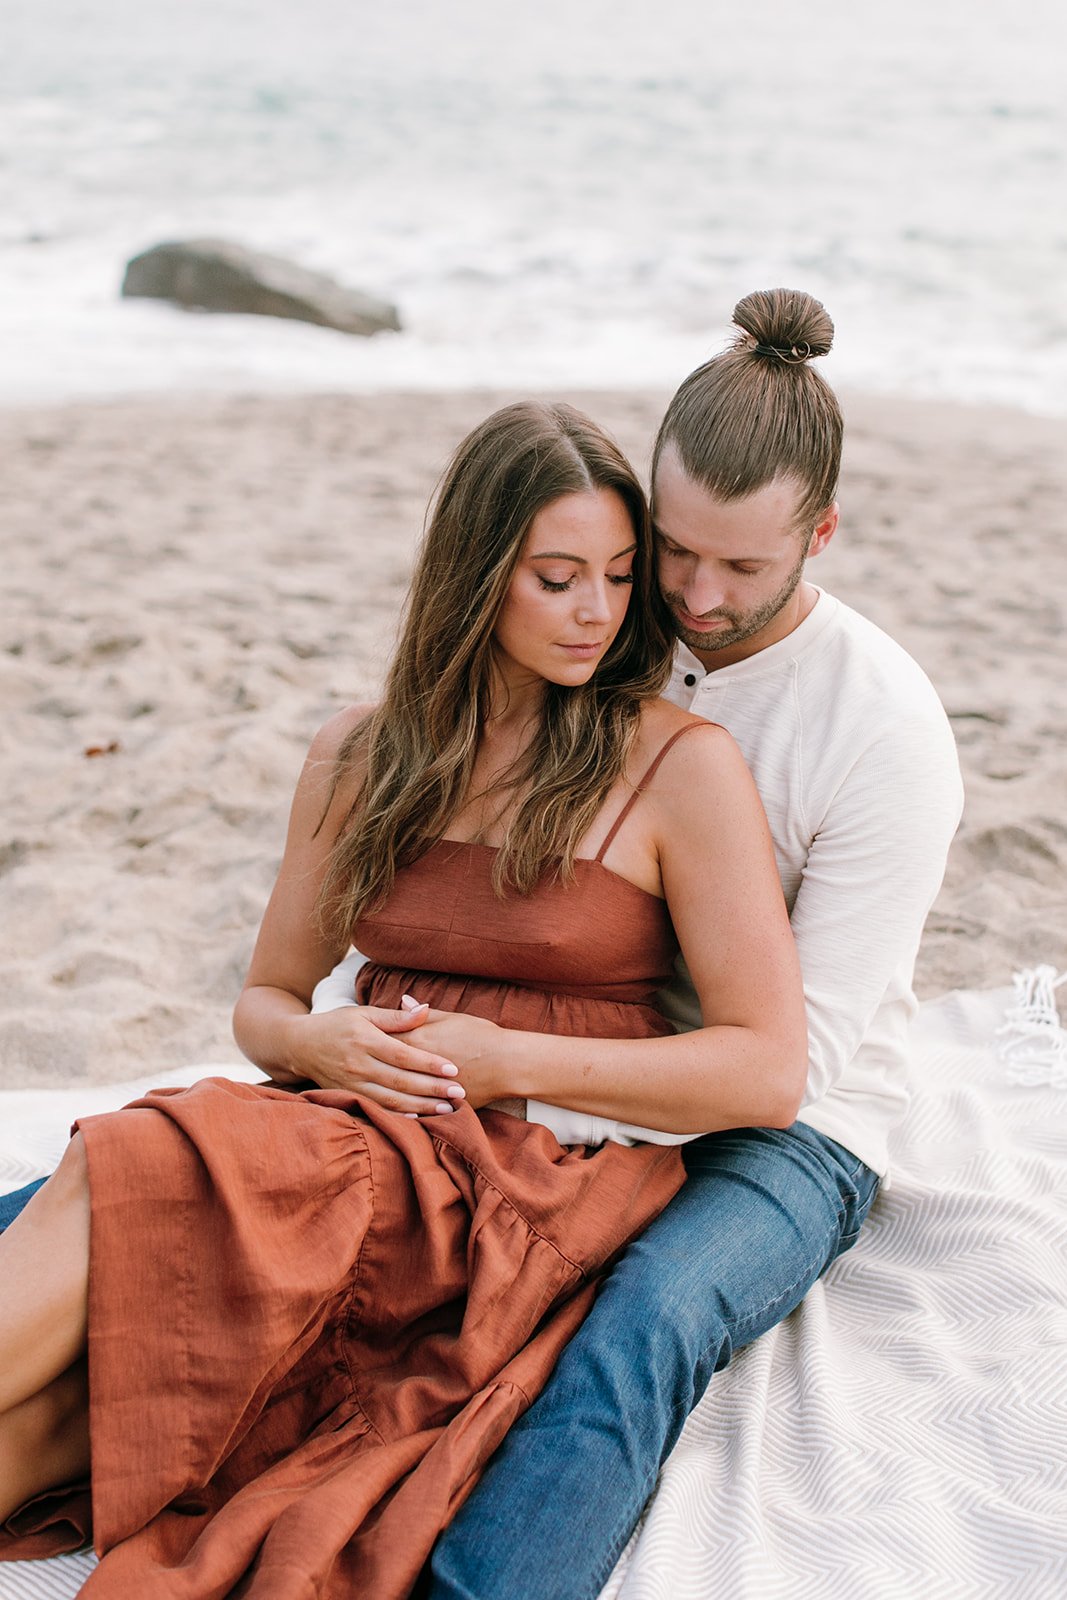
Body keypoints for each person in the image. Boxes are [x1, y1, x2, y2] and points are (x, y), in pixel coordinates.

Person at [0, 400, 807, 1596]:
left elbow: (765, 1070)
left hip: (515, 1170)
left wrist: (505, 1059)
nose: (597, 610)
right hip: (341, 1121)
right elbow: (266, 1002)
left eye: (619, 577)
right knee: (66, 1411)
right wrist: (314, 1038)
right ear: (477, 576)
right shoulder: (362, 752)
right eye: (556, 576)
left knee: (140, 1156)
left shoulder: (676, 766)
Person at [234, 288, 963, 1597]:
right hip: (559, 1055)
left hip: (779, 1119)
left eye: (740, 567)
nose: (691, 596)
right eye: (667, 551)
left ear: (821, 534)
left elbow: (791, 1070)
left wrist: (507, 1065)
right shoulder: (615, 625)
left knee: (643, 1321)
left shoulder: (879, 728)